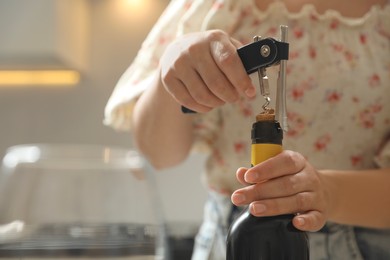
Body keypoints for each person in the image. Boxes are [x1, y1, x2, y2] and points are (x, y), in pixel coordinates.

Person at [104, 0, 390, 259]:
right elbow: (159, 154)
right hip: (229, 240)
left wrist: (328, 193)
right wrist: (173, 71)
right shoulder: (214, 6)